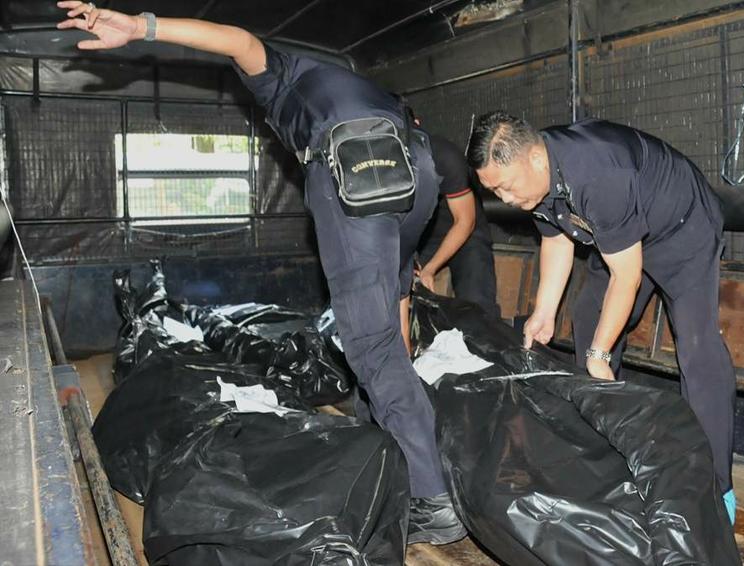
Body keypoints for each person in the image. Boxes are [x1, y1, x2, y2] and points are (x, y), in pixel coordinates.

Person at [56, 1, 466, 545]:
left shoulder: (285, 77)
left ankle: (431, 498)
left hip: (356, 168)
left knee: (368, 344)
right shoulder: (358, 88)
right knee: (383, 330)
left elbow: (235, 40)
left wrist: (140, 27)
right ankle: (387, 445)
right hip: (415, 175)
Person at [466, 111, 738, 525]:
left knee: (698, 350)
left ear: (535, 159)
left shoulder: (596, 174)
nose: (503, 199)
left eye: (504, 186)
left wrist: (599, 352)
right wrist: (543, 311)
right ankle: (602, 444)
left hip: (681, 228)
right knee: (587, 313)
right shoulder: (537, 182)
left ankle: (715, 488)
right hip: (620, 233)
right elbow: (556, 239)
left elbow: (626, 277)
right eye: (494, 190)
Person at [415, 130, 499, 318]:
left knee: (477, 304)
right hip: (423, 236)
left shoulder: (444, 155)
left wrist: (430, 269)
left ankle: (483, 340)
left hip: (465, 229)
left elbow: (465, 221)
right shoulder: (387, 162)